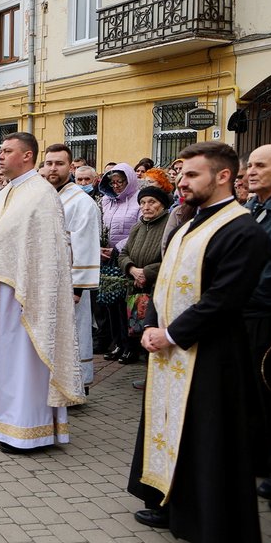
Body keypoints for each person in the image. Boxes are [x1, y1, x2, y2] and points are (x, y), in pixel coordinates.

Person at [128, 142, 270, 543]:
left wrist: (170, 334)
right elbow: (167, 279)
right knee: (176, 434)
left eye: (191, 175)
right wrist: (152, 326)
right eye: (181, 175)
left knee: (211, 446)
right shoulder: (191, 222)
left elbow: (224, 300)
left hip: (214, 357)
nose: (181, 182)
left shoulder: (244, 231)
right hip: (173, 351)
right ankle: (171, 503)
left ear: (223, 176)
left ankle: (218, 542)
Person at [0, 132, 84, 453]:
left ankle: (26, 430)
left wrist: (35, 295)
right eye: (0, 150)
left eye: (7, 151)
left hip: (25, 294)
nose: (0, 156)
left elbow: (47, 255)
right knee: (3, 361)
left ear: (27, 156)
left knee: (23, 361)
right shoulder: (6, 192)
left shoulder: (42, 195)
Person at [242, 144, 271, 511]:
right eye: (249, 165)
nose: (251, 171)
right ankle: (258, 459)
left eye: (261, 166)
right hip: (247, 312)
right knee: (252, 392)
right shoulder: (254, 208)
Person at [43, 144, 101, 393]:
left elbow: (86, 246)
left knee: (73, 333)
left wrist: (77, 288)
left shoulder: (81, 202)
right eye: (49, 163)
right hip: (46, 279)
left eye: (59, 163)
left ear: (70, 167)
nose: (53, 168)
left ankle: (75, 386)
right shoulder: (45, 195)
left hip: (70, 283)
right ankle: (52, 384)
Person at [118, 186, 171, 368]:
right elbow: (123, 253)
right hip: (136, 287)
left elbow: (171, 258)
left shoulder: (169, 225)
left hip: (156, 288)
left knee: (154, 331)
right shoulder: (138, 227)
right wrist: (132, 269)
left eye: (151, 202)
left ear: (162, 205)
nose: (146, 206)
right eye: (142, 202)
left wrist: (146, 273)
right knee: (139, 332)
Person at [98, 164, 140, 362]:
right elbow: (100, 226)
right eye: (112, 182)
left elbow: (138, 230)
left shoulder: (137, 200)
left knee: (125, 305)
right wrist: (100, 246)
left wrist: (117, 248)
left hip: (126, 256)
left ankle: (130, 346)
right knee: (110, 303)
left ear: (129, 181)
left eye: (120, 182)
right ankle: (117, 343)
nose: (116, 186)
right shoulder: (106, 201)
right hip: (107, 257)